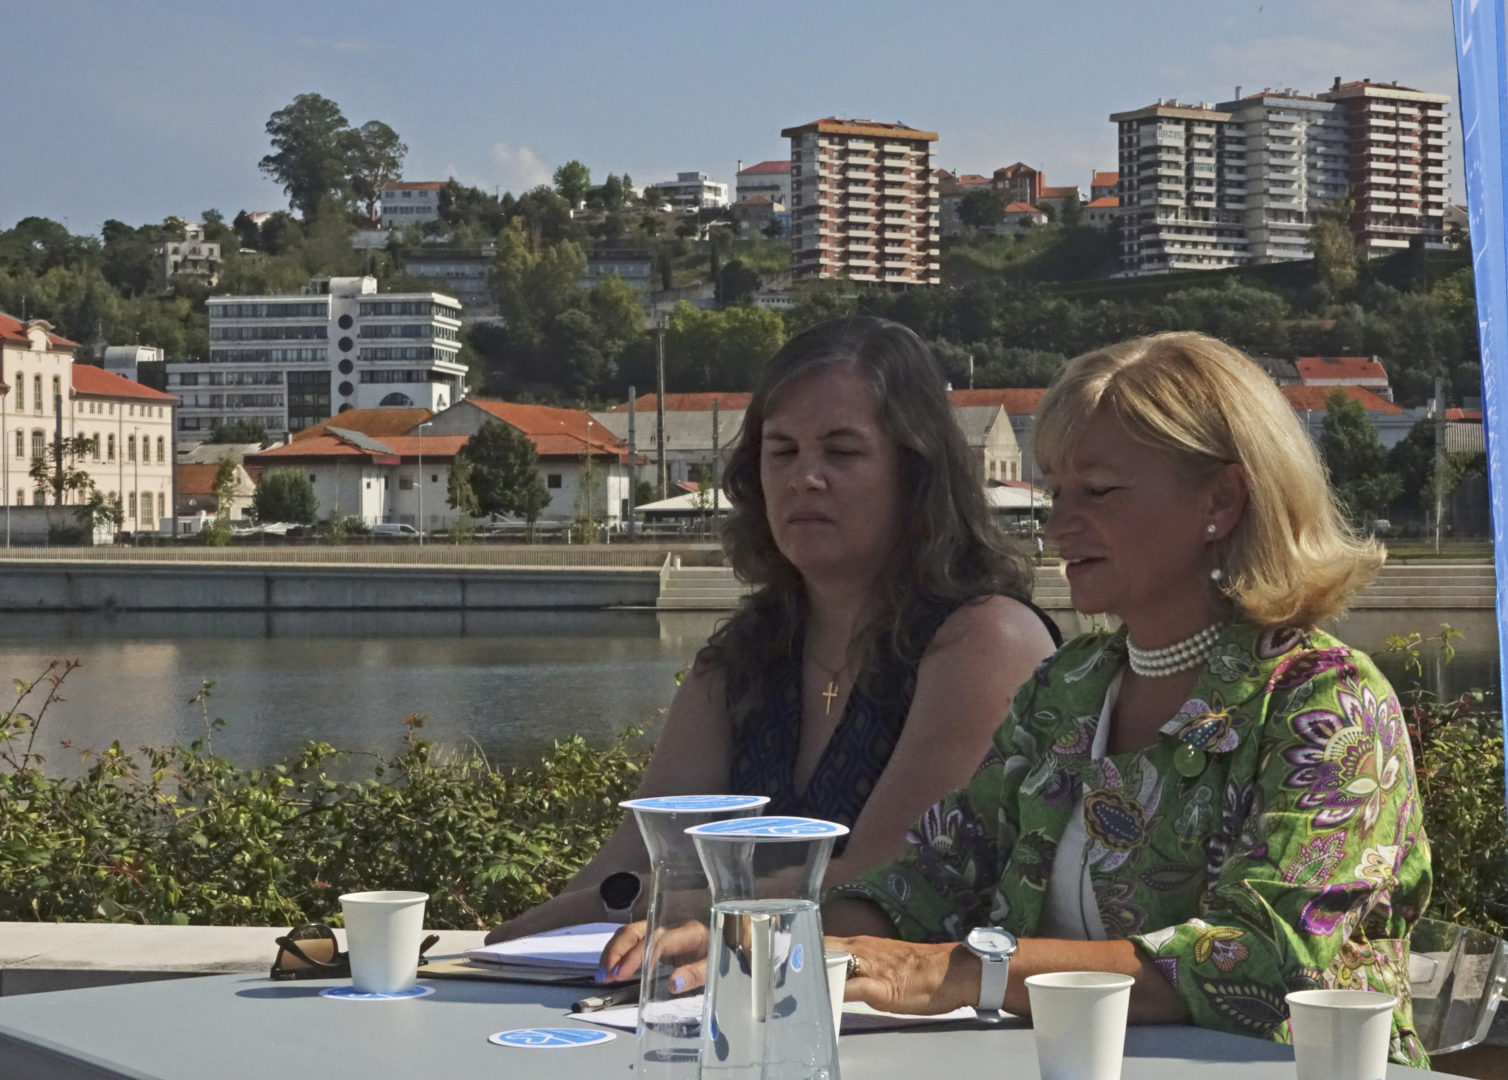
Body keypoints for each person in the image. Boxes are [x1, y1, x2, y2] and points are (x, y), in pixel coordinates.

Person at [821, 331, 1432, 1068]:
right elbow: (936, 876)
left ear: (1222, 499)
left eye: (1099, 490)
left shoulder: (1328, 703)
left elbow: (1266, 956)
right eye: (1057, 492)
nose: (1058, 524)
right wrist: (800, 944)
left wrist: (960, 971)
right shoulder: (1067, 687)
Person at [486, 317, 1062, 945]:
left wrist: (634, 903)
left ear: (916, 471)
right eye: (782, 451)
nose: (803, 478)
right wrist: (507, 946)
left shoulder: (986, 641)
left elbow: (885, 883)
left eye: (842, 452)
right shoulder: (742, 660)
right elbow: (634, 858)